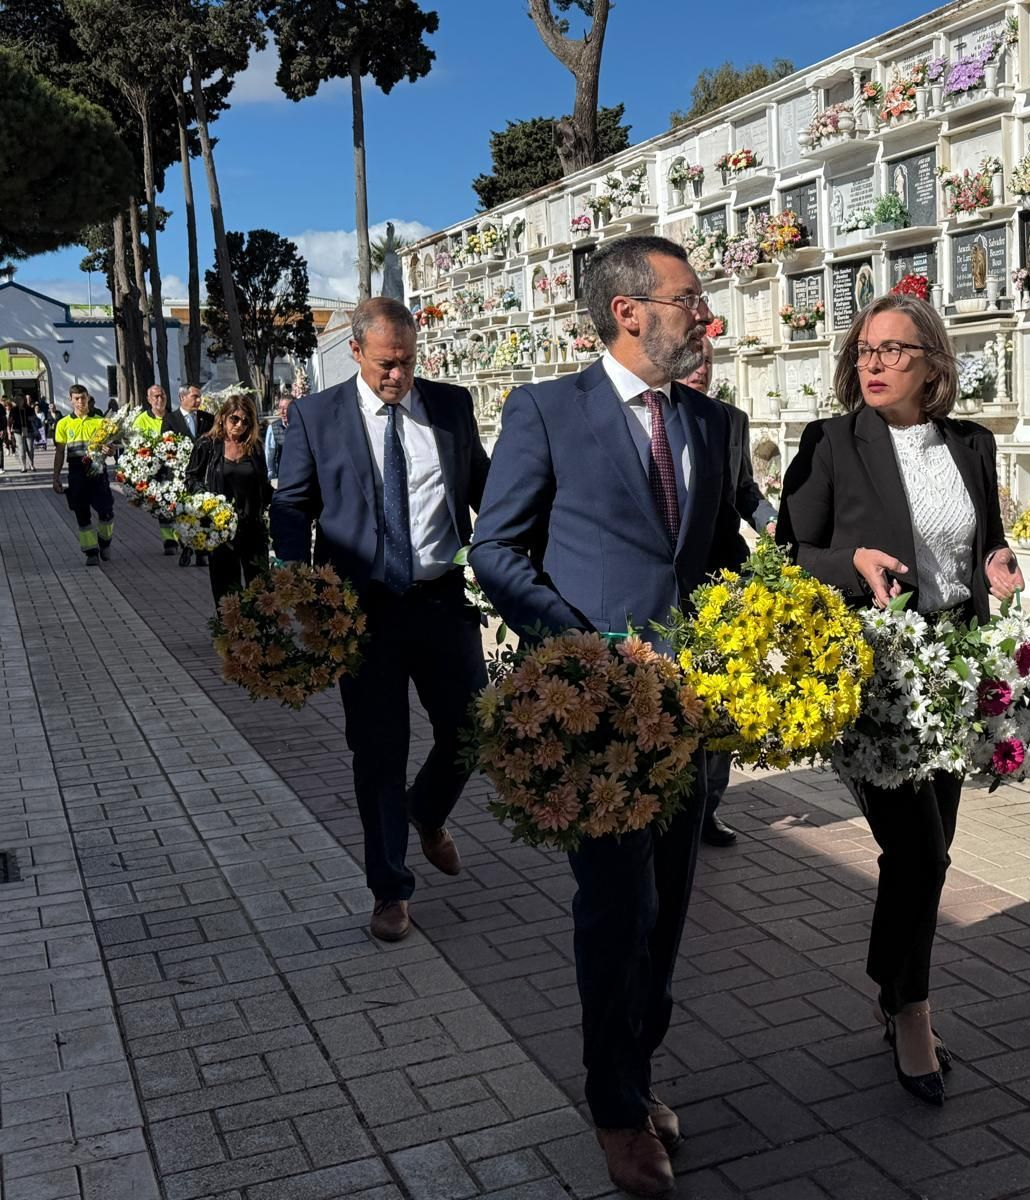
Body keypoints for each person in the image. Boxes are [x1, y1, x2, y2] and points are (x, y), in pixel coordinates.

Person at [471, 235, 741, 1200]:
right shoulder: (546, 411)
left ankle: (637, 1066)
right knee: (617, 909)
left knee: (667, 913)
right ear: (629, 311)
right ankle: (616, 1107)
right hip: (597, 716)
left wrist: (790, 617)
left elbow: (723, 552)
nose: (702, 314)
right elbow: (497, 550)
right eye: (688, 298)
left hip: (694, 717)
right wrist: (579, 644)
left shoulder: (717, 424)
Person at [776, 294, 1025, 1108]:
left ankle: (892, 984)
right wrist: (851, 564)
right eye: (863, 351)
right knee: (920, 852)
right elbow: (786, 555)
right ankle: (910, 1008)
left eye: (892, 351)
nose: (872, 364)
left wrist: (997, 563)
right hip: (874, 675)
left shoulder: (971, 445)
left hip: (951, 668)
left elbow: (984, 537)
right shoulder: (832, 442)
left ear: (933, 365)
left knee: (930, 848)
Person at [271, 297, 489, 945]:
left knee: (472, 729)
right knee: (379, 753)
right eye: (386, 364)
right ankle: (389, 890)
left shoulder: (450, 407)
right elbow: (292, 504)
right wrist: (292, 573)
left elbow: (486, 487)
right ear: (357, 352)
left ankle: (428, 811)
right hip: (359, 615)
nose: (398, 375)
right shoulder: (316, 417)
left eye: (407, 363)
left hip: (443, 602)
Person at [676, 335, 777, 849]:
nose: (701, 370)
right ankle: (674, 804)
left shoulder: (730, 420)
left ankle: (707, 807)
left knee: (721, 699)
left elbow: (744, 492)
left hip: (723, 577)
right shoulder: (658, 422)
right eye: (692, 361)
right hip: (672, 585)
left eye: (709, 361)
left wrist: (773, 525)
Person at [185, 393, 273, 603]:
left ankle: (257, 633)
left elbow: (263, 486)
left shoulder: (255, 447)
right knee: (225, 589)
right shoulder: (208, 444)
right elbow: (191, 478)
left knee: (259, 588)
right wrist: (206, 500)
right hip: (220, 529)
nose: (239, 425)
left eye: (246, 421)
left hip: (252, 527)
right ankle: (230, 633)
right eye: (234, 419)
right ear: (223, 417)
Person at [51, 384, 116, 565]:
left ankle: (104, 542)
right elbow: (59, 452)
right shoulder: (63, 423)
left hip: (98, 472)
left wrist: (109, 450)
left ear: (88, 398)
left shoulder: (101, 421)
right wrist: (55, 477)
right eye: (76, 398)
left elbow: (111, 448)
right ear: (70, 400)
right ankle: (91, 552)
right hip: (76, 472)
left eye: (83, 398)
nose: (80, 402)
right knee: (81, 513)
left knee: (106, 511)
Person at [166, 385, 214, 567]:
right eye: (195, 397)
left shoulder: (208, 418)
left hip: (202, 476)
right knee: (185, 515)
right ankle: (186, 546)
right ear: (182, 397)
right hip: (180, 477)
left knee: (202, 512)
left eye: (199, 397)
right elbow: (166, 445)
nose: (199, 400)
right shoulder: (171, 419)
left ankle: (202, 552)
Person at [134, 386, 181, 556]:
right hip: (154, 470)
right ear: (148, 399)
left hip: (174, 467)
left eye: (162, 396)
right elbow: (134, 445)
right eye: (155, 396)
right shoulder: (141, 420)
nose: (159, 399)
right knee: (163, 504)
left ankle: (180, 537)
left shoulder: (175, 418)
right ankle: (169, 541)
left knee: (177, 504)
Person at [264, 391, 292, 483]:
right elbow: (269, 454)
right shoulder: (273, 428)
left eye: (285, 408)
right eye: (280, 408)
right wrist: (271, 476)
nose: (282, 412)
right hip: (282, 475)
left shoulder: (301, 426)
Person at [14, 398, 37, 471]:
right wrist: (8, 431)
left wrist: (31, 418)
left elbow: (34, 417)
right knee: (21, 449)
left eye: (21, 399)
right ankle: (23, 466)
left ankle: (31, 464)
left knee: (30, 448)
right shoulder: (14, 410)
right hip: (18, 431)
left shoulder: (29, 409)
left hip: (29, 429)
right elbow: (10, 420)